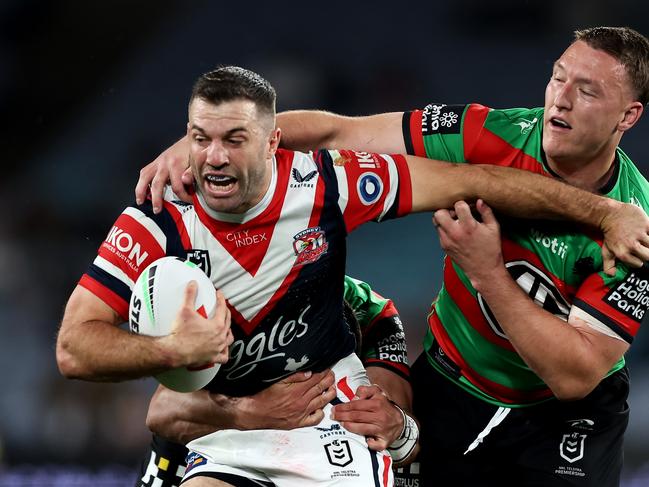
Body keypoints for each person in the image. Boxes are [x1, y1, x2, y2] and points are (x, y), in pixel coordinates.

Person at [63, 60, 649, 486]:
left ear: (274, 143)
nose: (214, 157)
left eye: (234, 140)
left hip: (354, 428)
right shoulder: (156, 220)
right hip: (236, 435)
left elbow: (474, 183)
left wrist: (605, 214)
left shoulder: (329, 185)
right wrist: (173, 350)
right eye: (200, 140)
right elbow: (87, 359)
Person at [136, 275, 418, 487]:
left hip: (327, 430)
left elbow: (397, 431)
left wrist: (401, 427)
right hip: (226, 423)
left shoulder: (372, 311)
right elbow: (161, 411)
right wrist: (252, 412)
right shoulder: (224, 291)